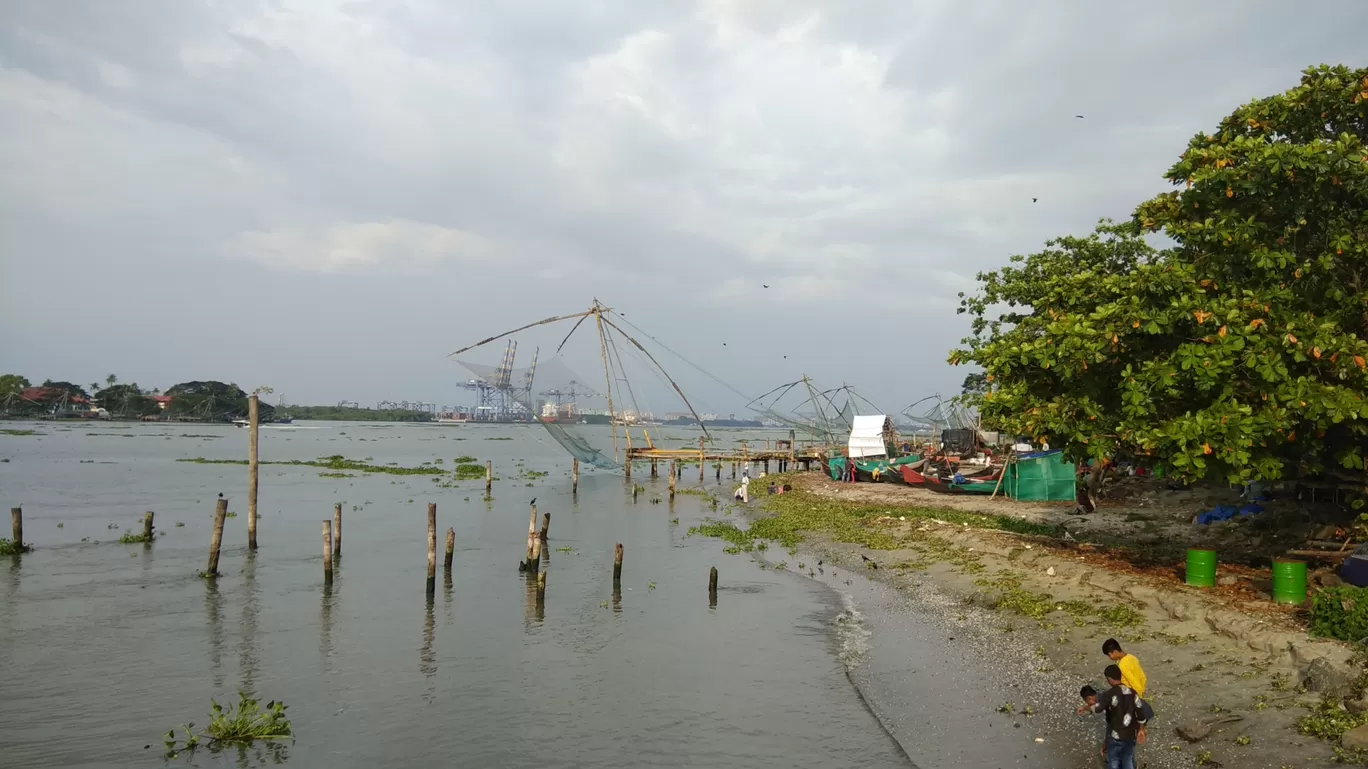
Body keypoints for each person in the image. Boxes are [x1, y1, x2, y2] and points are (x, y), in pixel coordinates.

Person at [1076, 665, 1149, 769]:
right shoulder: (1133, 693)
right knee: (1127, 759)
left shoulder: (1109, 694)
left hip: (1116, 735)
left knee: (1114, 761)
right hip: (1130, 734)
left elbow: (1098, 708)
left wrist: (1084, 708)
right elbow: (1140, 713)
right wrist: (1141, 730)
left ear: (1109, 679)